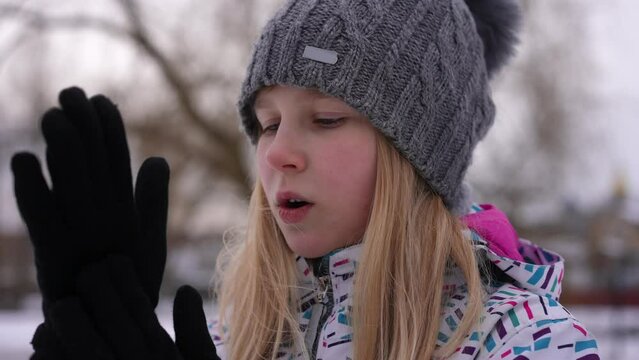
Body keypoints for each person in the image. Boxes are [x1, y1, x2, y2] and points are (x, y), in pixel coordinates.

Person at [11, 0, 600, 359]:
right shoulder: (238, 338)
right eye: (267, 125)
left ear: (420, 157)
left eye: (325, 119)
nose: (280, 154)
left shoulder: (525, 341)